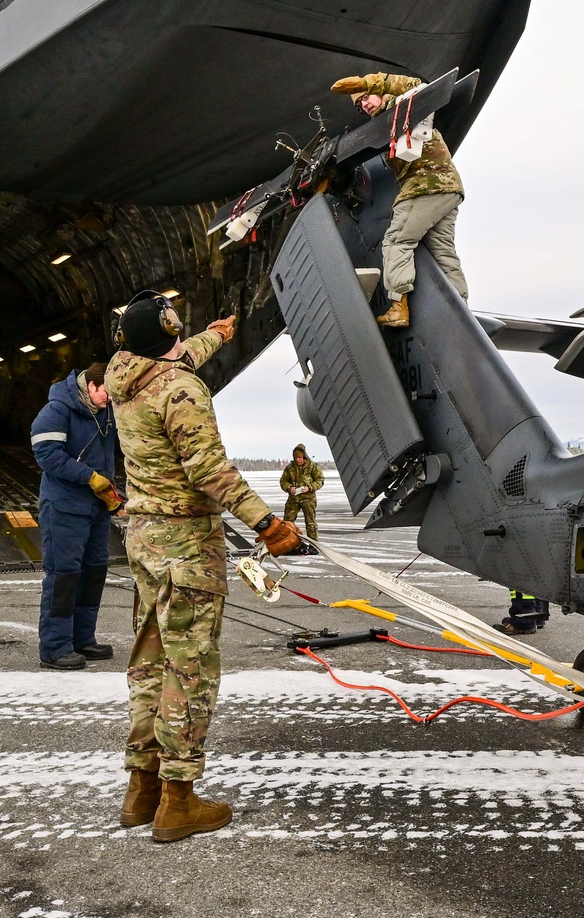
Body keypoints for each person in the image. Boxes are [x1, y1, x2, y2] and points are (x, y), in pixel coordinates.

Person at [105, 291, 301, 843]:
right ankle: (179, 801)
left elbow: (178, 355)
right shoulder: (182, 392)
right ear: (167, 331)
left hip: (144, 539)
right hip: (186, 546)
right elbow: (208, 468)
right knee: (189, 671)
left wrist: (219, 334)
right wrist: (267, 524)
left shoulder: (126, 375)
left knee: (149, 662)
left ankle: (141, 789)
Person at [331, 71, 468, 328]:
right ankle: (461, 311)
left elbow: (418, 86)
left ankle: (398, 306)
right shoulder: (387, 123)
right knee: (444, 253)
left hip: (426, 186)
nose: (365, 104)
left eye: (366, 97)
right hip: (448, 188)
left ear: (379, 91)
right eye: (360, 104)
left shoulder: (401, 107)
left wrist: (368, 81)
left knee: (396, 240)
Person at [31, 361, 122, 670]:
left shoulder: (107, 412)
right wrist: (90, 477)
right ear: (91, 386)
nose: (110, 399)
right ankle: (55, 648)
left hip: (96, 509)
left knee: (94, 572)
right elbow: (48, 456)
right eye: (106, 393)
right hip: (64, 507)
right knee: (64, 575)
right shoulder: (56, 411)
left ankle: (83, 638)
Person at [280, 442, 324, 540]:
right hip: (293, 499)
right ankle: (287, 542)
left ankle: (313, 544)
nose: (298, 460)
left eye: (300, 458)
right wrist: (289, 487)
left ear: (304, 457)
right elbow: (283, 481)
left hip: (308, 499)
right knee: (287, 522)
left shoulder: (313, 467)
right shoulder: (289, 468)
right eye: (296, 458)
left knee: (310, 522)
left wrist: (309, 487)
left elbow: (320, 480)